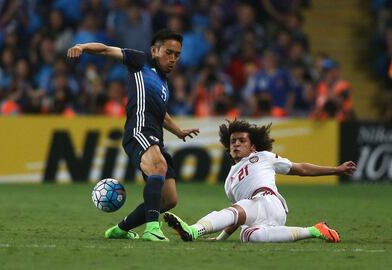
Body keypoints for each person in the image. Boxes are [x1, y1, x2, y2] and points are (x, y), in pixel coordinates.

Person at [67, 29, 200, 241]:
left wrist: (179, 131)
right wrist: (82, 47)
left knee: (168, 199)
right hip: (139, 130)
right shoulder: (140, 61)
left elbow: (162, 114)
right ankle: (152, 230)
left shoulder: (164, 84)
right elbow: (105, 50)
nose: (173, 58)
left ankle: (120, 230)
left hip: (155, 136)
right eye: (169, 52)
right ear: (155, 50)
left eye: (177, 54)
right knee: (159, 166)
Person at [164, 119, 356, 243]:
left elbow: (301, 168)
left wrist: (336, 170)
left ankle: (193, 231)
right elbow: (237, 217)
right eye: (233, 142)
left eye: (241, 141)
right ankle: (314, 230)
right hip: (256, 214)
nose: (236, 144)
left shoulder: (263, 157)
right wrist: (220, 239)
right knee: (248, 236)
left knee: (239, 210)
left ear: (253, 147)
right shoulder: (229, 180)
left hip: (269, 201)